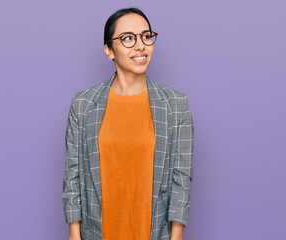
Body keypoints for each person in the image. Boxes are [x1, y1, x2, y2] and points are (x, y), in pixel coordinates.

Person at [63, 7, 194, 240]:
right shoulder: (83, 104)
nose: (140, 45)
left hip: (153, 233)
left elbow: (181, 178)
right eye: (127, 38)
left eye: (146, 36)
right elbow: (73, 175)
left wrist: (176, 236)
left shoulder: (175, 104)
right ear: (109, 51)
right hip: (97, 233)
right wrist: (74, 233)